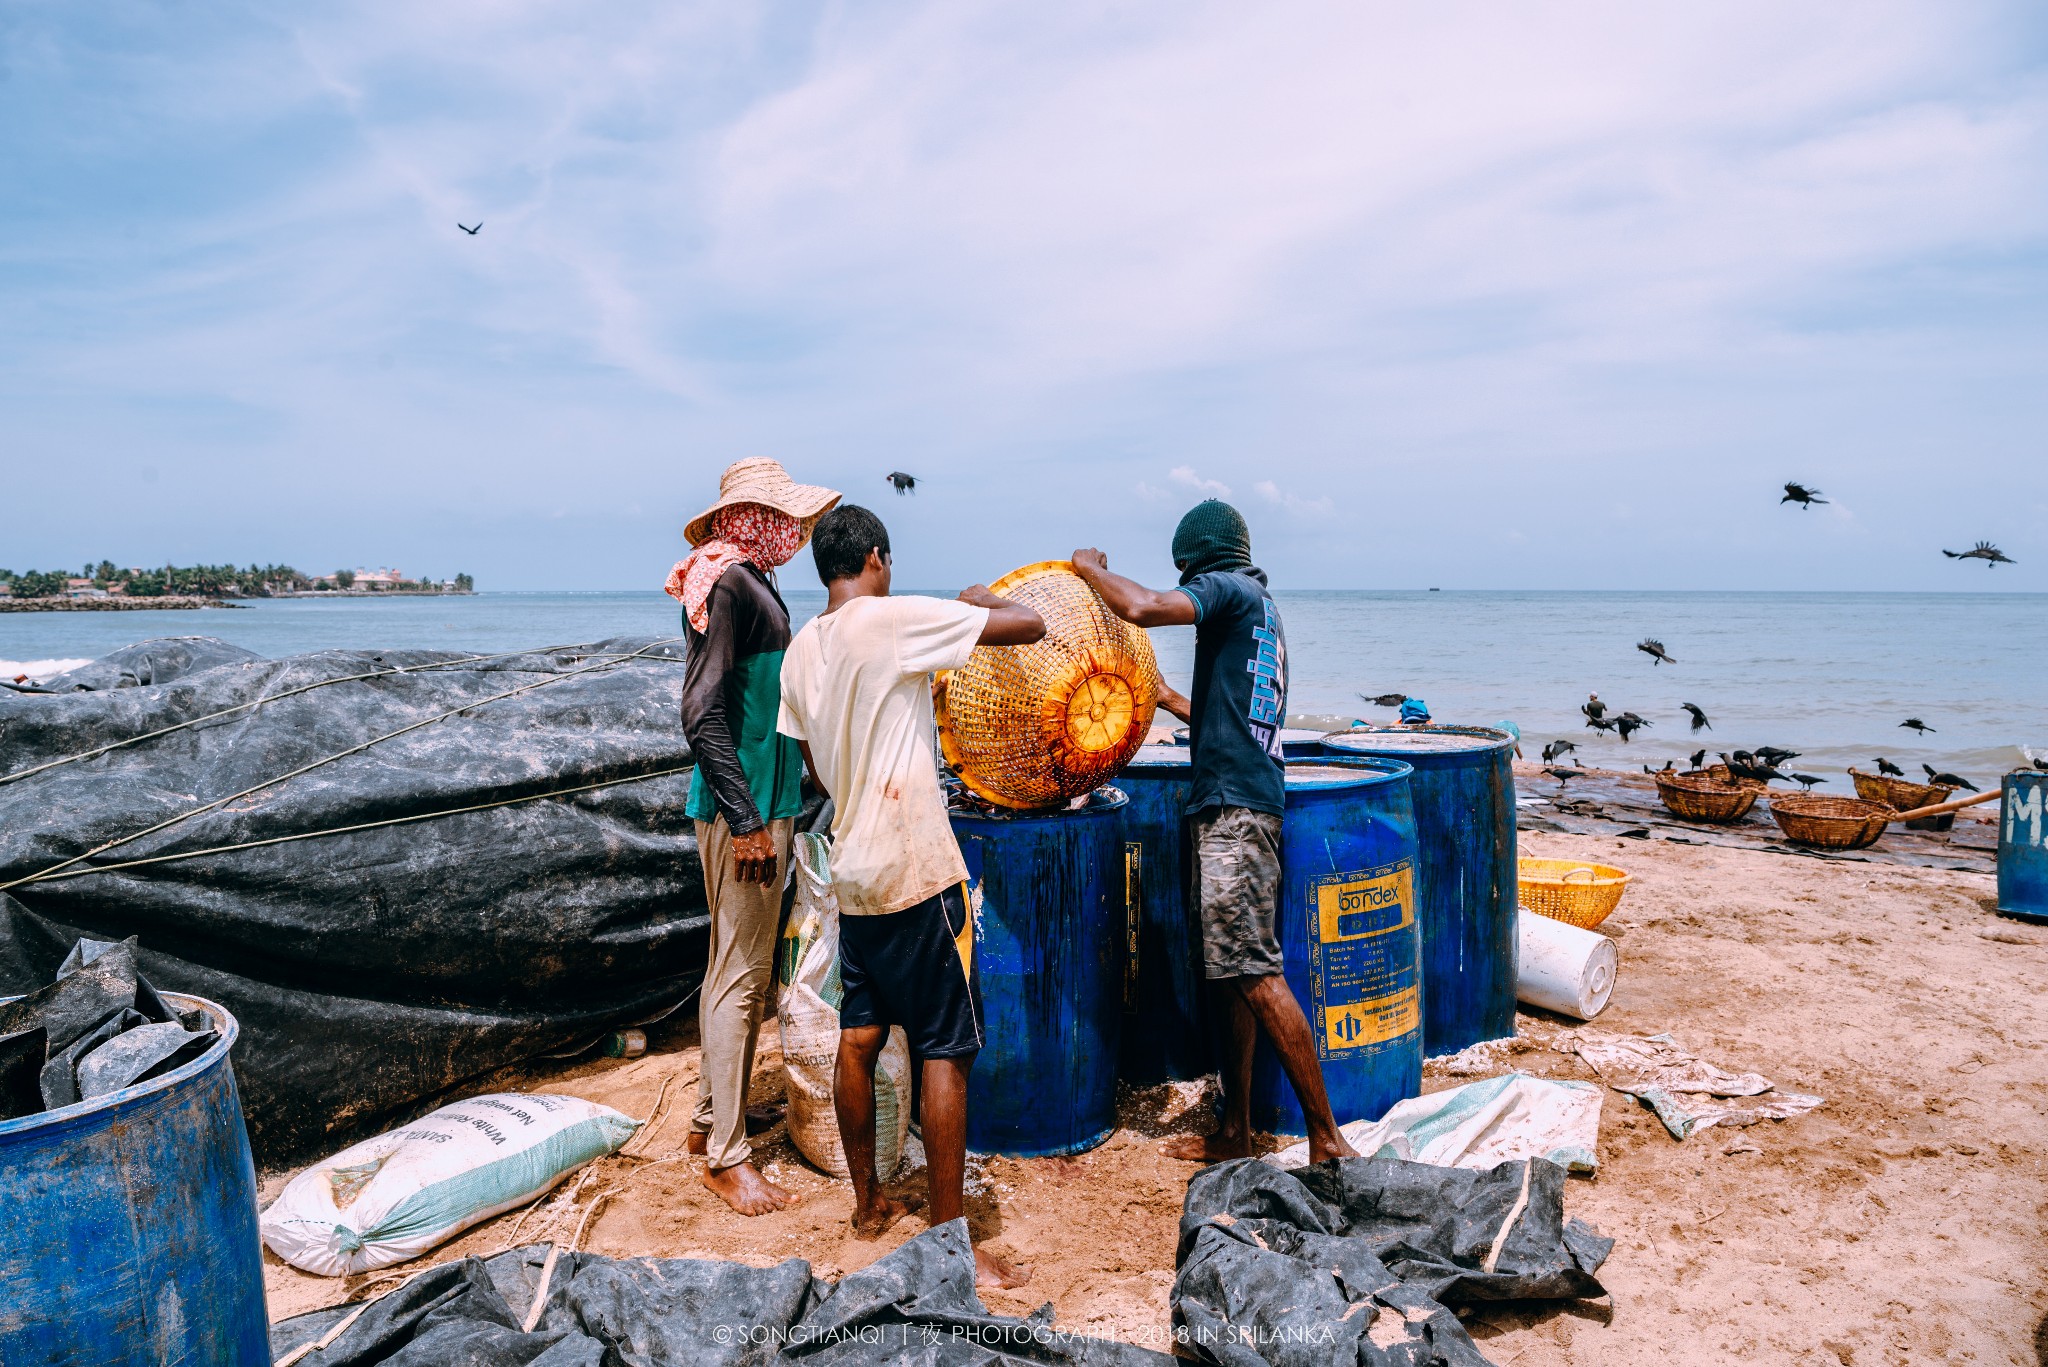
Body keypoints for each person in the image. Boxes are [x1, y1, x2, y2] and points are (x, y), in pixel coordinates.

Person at [776, 505, 1044, 1288]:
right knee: (944, 1050)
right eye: (887, 562)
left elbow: (820, 774)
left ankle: (867, 1205)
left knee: (859, 1036)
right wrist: (980, 598)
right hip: (917, 871)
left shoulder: (801, 652)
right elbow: (1026, 625)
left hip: (854, 872)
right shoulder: (889, 619)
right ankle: (950, 1240)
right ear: (874, 556)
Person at [1072, 500, 1359, 1167]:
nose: (1187, 584)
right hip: (1239, 800)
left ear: (1202, 561)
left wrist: (1088, 570)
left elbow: (1143, 606)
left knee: (1254, 971)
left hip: (1233, 813)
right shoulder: (1261, 612)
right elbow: (1223, 717)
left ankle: (1328, 1139)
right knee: (1230, 972)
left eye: (1187, 572)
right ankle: (1236, 1129)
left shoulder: (1228, 587)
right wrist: (1165, 696)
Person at [671, 458, 841, 1216]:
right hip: (744, 811)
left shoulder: (746, 580)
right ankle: (727, 1156)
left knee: (729, 966)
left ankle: (714, 1116)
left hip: (761, 804)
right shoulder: (733, 585)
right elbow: (701, 711)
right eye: (789, 521)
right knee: (741, 980)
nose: (798, 535)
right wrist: (744, 821)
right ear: (756, 518)